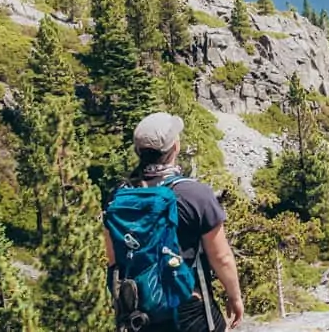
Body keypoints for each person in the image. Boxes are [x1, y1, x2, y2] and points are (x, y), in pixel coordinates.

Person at [104, 112, 245, 331]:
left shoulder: (119, 197)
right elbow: (221, 257)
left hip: (138, 308)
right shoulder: (195, 195)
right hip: (186, 306)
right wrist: (235, 297)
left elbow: (114, 259)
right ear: (176, 147)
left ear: (138, 151)